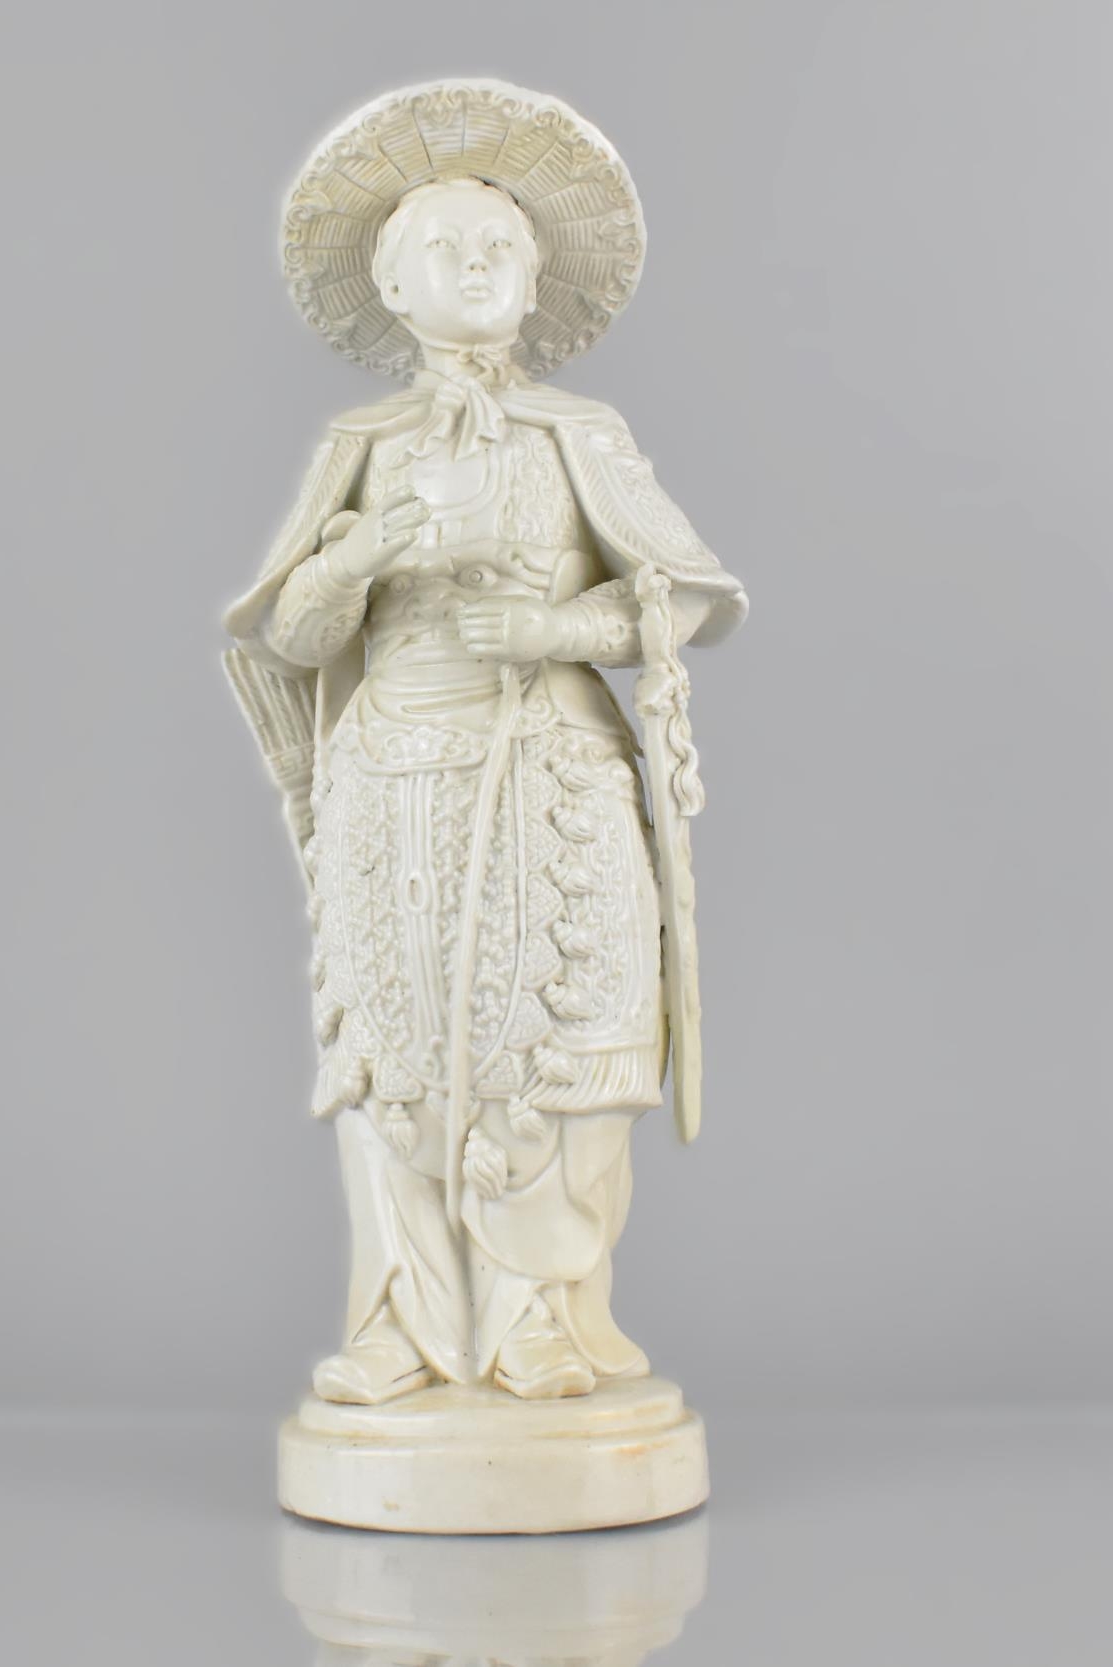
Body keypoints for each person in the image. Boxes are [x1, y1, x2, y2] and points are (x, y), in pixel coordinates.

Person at [226, 83, 744, 1404]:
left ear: (535, 277)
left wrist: (558, 627)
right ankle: (405, 1326)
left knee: (563, 1043)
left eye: (502, 246)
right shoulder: (361, 448)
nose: (478, 265)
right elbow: (289, 634)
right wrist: (369, 552)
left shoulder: (582, 438)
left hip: (549, 775)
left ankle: (541, 1322)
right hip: (393, 779)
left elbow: (684, 597)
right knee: (396, 1052)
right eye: (446, 247)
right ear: (392, 284)